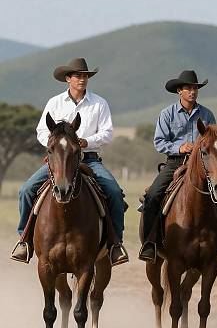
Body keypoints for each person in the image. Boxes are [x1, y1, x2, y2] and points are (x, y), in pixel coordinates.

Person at [11, 57, 129, 266]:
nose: (82, 79)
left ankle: (115, 243)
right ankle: (25, 240)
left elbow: (107, 133)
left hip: (89, 160)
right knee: (26, 190)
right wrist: (54, 145)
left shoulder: (99, 103)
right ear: (68, 79)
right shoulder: (54, 103)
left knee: (114, 192)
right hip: (59, 161)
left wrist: (86, 141)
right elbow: (41, 131)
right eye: (77, 76)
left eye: (85, 76)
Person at [138, 69, 217, 263]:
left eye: (195, 88)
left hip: (203, 165)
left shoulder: (207, 114)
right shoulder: (167, 114)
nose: (192, 91)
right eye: (188, 88)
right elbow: (159, 142)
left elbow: (214, 141)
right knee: (153, 195)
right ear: (179, 91)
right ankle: (149, 243)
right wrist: (180, 147)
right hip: (175, 162)